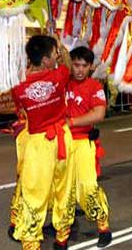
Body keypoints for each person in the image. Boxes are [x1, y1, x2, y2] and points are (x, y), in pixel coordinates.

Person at [10, 35, 75, 250]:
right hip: (62, 138)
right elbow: (68, 65)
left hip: (38, 142)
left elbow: (21, 110)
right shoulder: (59, 76)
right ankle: (62, 236)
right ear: (46, 59)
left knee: (34, 192)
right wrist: (62, 47)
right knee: (63, 188)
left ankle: (31, 242)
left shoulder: (18, 86)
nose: (57, 55)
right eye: (53, 53)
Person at [65, 46, 112, 247]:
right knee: (63, 190)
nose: (80, 70)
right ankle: (63, 231)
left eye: (84, 66)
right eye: (76, 65)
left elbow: (99, 114)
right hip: (60, 144)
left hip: (83, 142)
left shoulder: (95, 87)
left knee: (87, 187)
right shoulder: (63, 81)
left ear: (90, 67)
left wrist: (72, 122)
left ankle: (103, 227)